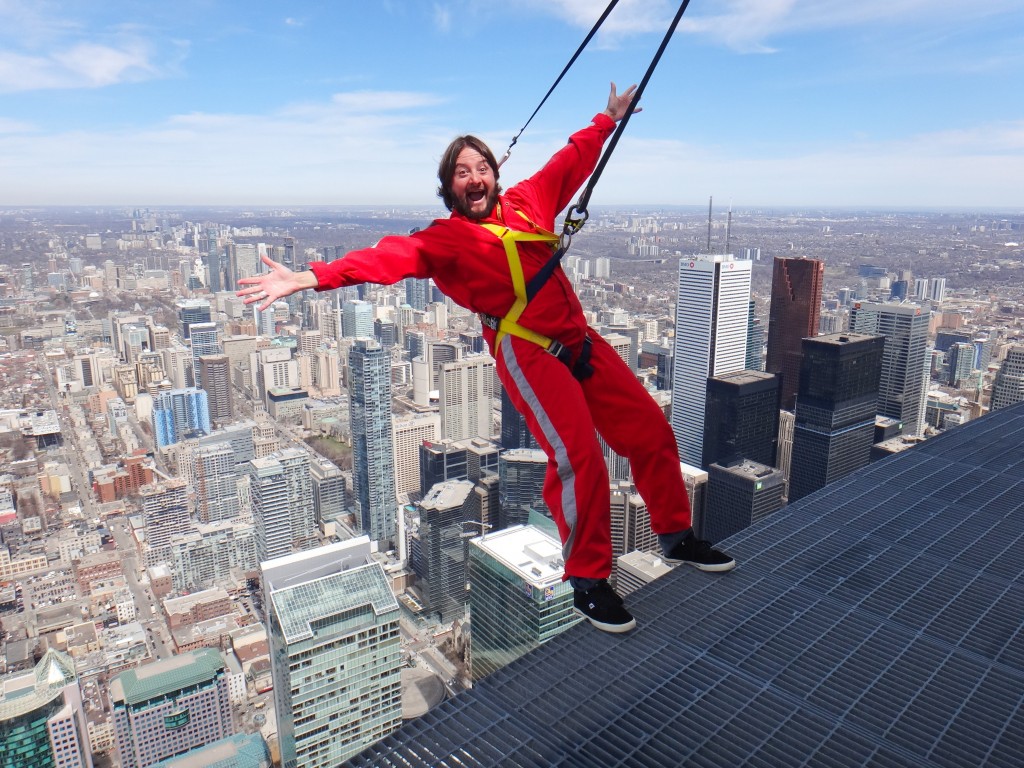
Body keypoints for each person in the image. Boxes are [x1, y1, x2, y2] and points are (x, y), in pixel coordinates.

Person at [238, 83, 735, 633]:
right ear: (450, 189)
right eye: (461, 173)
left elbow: (568, 163)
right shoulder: (447, 241)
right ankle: (589, 581)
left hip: (578, 340)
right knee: (579, 457)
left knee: (649, 431)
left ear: (495, 174)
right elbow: (387, 258)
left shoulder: (528, 203)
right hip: (528, 349)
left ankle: (676, 536)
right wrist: (310, 277)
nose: (475, 178)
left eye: (482, 167)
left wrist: (607, 119)